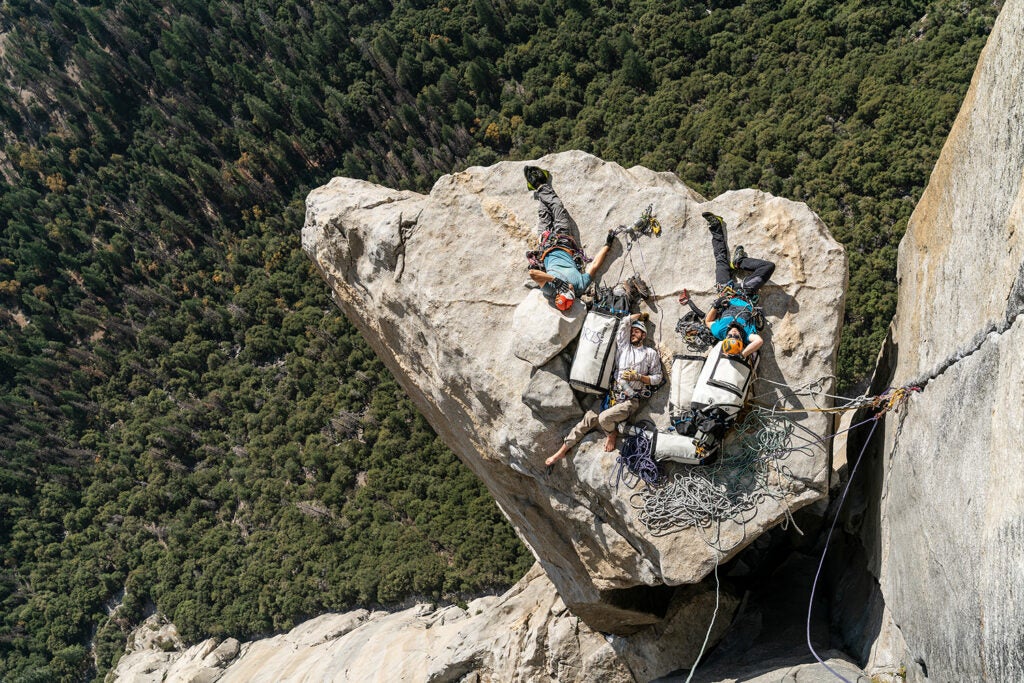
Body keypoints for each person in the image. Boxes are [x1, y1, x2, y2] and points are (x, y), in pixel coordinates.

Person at [545, 312, 663, 466]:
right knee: (585, 422)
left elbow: (657, 378)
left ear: (644, 334)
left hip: (629, 400)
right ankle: (560, 453)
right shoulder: (624, 347)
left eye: (637, 331)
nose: (633, 333)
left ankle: (611, 433)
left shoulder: (650, 354)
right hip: (611, 395)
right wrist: (639, 316)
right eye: (632, 331)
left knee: (603, 418)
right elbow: (624, 324)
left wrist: (639, 377)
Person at [679, 212, 775, 360]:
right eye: (735, 337)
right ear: (740, 340)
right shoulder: (748, 334)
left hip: (726, 293)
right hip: (745, 293)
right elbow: (759, 341)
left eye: (730, 336)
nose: (733, 333)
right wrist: (742, 354)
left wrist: (716, 306)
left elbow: (708, 321)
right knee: (768, 267)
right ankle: (740, 261)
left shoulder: (721, 331)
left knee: (720, 260)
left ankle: (715, 226)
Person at [524, 166, 614, 309]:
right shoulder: (580, 286)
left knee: (544, 213)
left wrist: (556, 281)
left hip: (546, 245)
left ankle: (539, 185)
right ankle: (540, 184)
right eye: (570, 291)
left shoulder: (551, 289)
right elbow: (596, 264)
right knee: (558, 207)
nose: (569, 288)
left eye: (565, 290)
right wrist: (608, 244)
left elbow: (533, 274)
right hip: (564, 240)